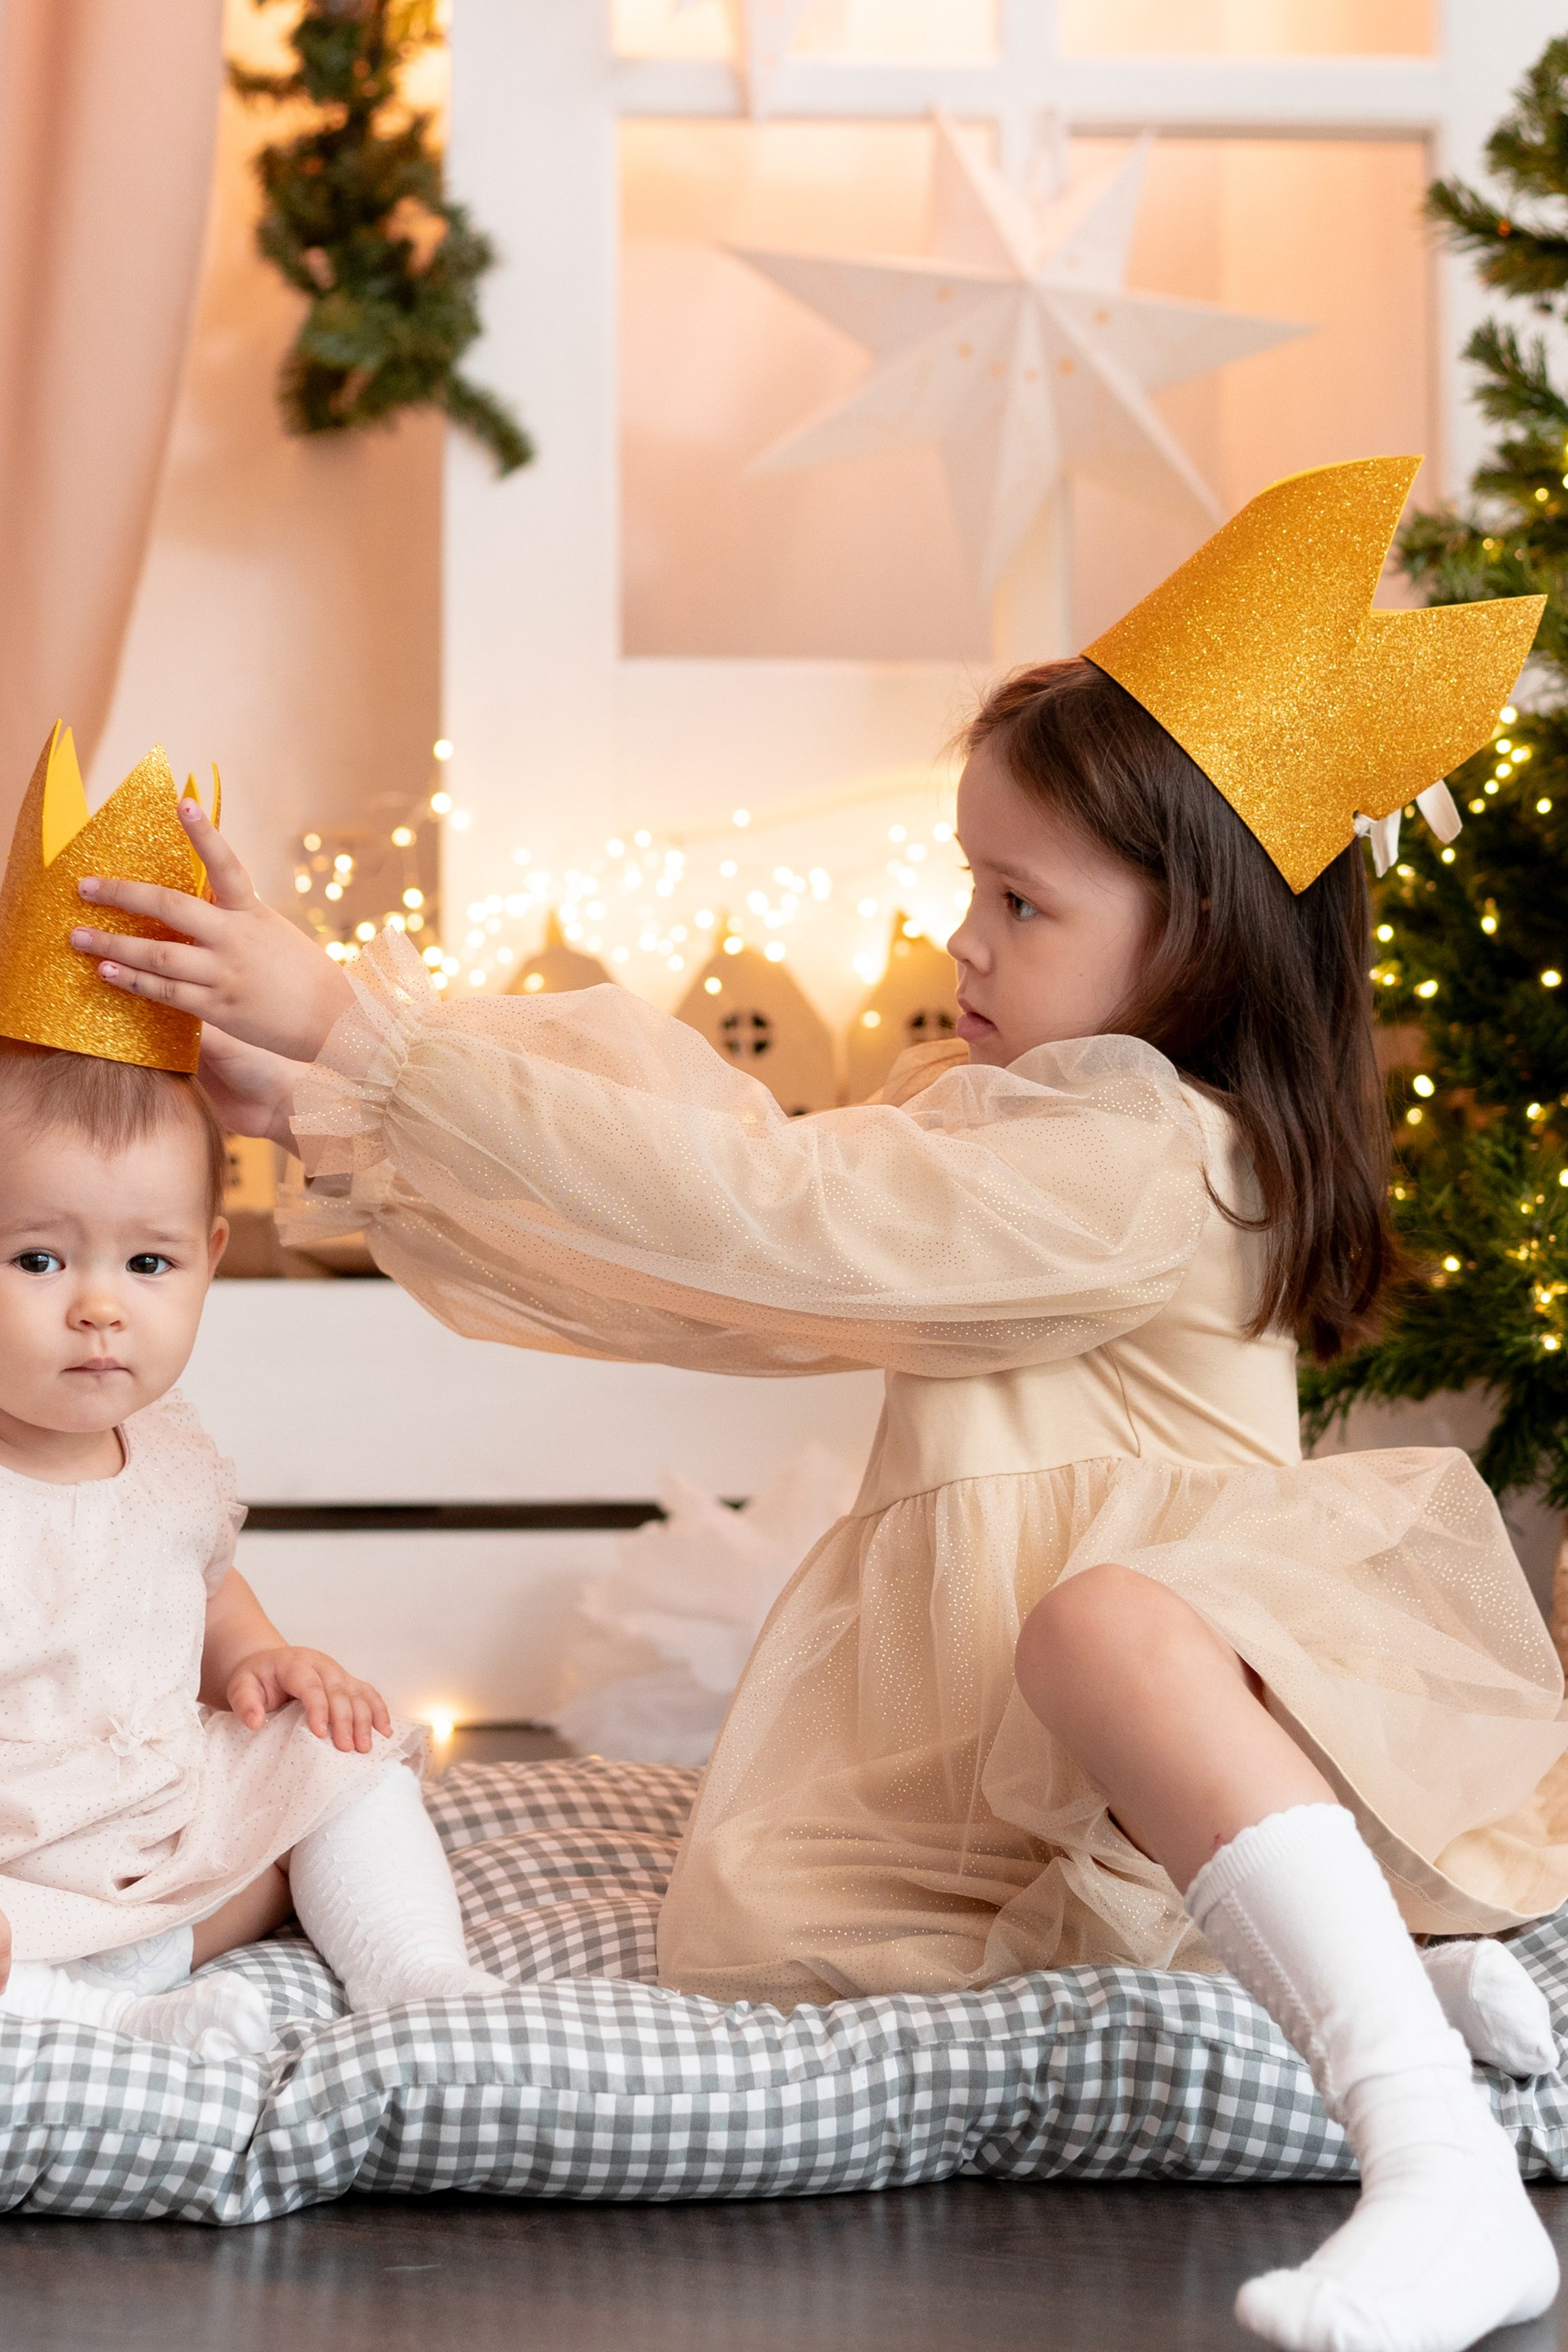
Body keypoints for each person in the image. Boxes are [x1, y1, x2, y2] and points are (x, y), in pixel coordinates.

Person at [70, 458, 1567, 2351]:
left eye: (1019, 902)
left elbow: (784, 1215)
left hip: (1181, 1694)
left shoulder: (1147, 1157)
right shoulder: (1018, 1136)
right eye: (975, 887)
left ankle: (1436, 2164)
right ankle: (1368, 1981)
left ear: (1202, 934)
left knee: (1107, 1625)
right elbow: (744, 1223)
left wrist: (385, 1035)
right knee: (840, 1881)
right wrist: (348, 1105)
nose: (963, 944)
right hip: (1054, 1771)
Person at [0, 728, 508, 2060]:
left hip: (160, 1823)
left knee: (346, 1760)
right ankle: (91, 2014)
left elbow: (202, 1582)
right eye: (40, 1258)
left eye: (148, 1260)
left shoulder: (168, 1452)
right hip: (16, 1871)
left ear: (211, 1261)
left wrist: (263, 1660)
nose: (101, 1303)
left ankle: (414, 1984)